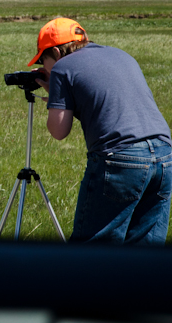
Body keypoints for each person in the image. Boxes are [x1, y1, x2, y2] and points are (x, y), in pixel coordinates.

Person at [30, 17, 172, 244]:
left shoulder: (62, 68)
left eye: (43, 61)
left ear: (55, 52)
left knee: (94, 252)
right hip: (165, 155)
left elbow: (58, 130)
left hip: (120, 158)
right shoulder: (120, 54)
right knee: (145, 255)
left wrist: (56, 98)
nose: (44, 69)